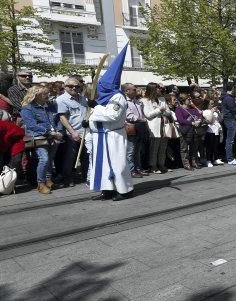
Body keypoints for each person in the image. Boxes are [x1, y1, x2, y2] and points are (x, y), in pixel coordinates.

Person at [87, 45, 133, 201]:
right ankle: (107, 189)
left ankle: (124, 189)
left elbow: (112, 115)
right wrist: (89, 122)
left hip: (114, 135)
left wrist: (96, 107)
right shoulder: (101, 98)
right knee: (103, 164)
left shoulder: (117, 97)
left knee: (117, 163)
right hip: (100, 136)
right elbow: (95, 115)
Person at [20, 85, 61, 194]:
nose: (48, 95)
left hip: (54, 136)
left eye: (48, 93)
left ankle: (48, 179)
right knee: (44, 159)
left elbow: (57, 119)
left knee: (50, 159)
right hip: (39, 137)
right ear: (36, 95)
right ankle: (41, 183)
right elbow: (31, 125)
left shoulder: (50, 106)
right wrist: (49, 132)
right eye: (45, 93)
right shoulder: (27, 108)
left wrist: (59, 132)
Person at [55, 75, 88, 186]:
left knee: (86, 156)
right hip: (71, 133)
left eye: (77, 86)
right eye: (70, 86)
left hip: (86, 132)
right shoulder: (61, 100)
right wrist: (72, 132)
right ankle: (67, 178)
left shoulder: (83, 99)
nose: (74, 88)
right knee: (69, 157)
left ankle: (86, 176)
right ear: (65, 87)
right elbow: (62, 117)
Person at [142, 83, 172, 173]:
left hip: (164, 126)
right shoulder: (144, 100)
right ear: (152, 90)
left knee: (163, 147)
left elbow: (168, 112)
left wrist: (163, 111)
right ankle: (153, 166)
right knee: (154, 148)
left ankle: (161, 164)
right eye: (158, 89)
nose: (159, 90)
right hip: (154, 127)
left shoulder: (161, 99)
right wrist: (159, 110)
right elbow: (148, 115)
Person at [175, 94, 203, 170]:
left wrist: (199, 120)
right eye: (188, 99)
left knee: (194, 147)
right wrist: (191, 123)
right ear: (183, 101)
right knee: (184, 148)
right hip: (185, 130)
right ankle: (186, 164)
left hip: (194, 129)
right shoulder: (179, 109)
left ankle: (194, 162)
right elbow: (181, 120)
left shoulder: (192, 108)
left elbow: (199, 115)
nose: (190, 101)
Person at [221, 86, 236, 165]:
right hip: (230, 120)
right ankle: (230, 159)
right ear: (232, 89)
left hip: (228, 120)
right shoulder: (229, 98)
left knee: (229, 140)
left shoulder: (225, 97)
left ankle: (230, 157)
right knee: (230, 141)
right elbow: (234, 111)